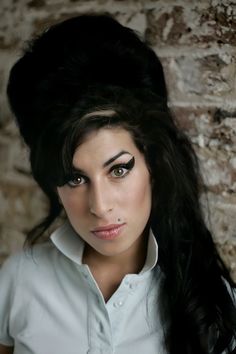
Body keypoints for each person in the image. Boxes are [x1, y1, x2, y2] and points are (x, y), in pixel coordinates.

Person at [0, 13, 235, 354]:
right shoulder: (20, 281)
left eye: (119, 170)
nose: (99, 205)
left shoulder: (211, 304)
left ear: (153, 163)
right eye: (75, 178)